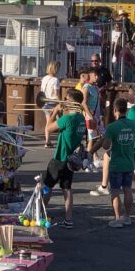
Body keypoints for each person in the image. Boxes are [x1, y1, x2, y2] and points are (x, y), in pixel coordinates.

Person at [43, 89, 86, 229]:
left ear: (71, 101)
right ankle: (68, 220)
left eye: (66, 99)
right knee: (66, 188)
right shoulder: (80, 119)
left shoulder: (67, 119)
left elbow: (48, 128)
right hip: (70, 160)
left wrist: (55, 111)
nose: (64, 101)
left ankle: (41, 214)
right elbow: (66, 129)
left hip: (59, 158)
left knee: (47, 186)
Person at [92, 98, 135, 228]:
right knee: (128, 190)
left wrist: (105, 138)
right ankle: (127, 217)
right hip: (129, 162)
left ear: (115, 110)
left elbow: (106, 146)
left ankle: (117, 218)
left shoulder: (112, 127)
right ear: (126, 110)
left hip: (116, 163)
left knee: (115, 192)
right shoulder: (133, 124)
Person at [41, 61, 61, 147]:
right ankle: (61, 139)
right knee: (60, 121)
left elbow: (41, 91)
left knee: (48, 122)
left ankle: (47, 141)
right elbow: (56, 94)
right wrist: (61, 102)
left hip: (45, 102)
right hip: (53, 103)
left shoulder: (44, 78)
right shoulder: (55, 80)